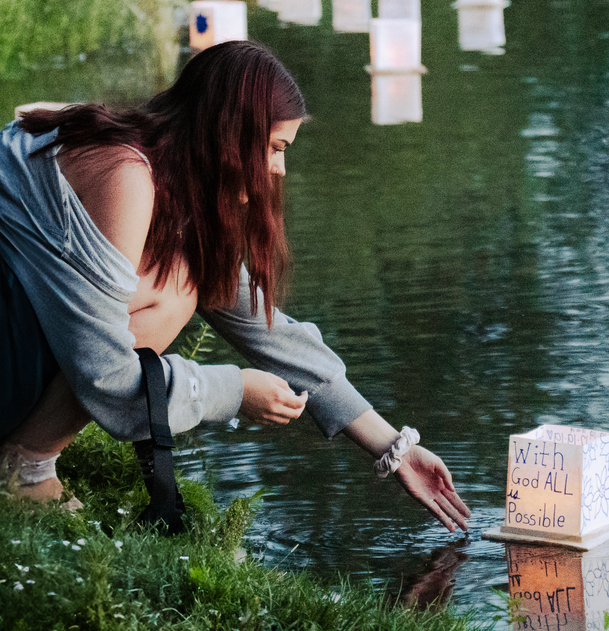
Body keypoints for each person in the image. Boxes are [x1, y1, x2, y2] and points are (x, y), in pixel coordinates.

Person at [0, 42, 471, 533]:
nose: (279, 169)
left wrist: (395, 448)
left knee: (191, 274)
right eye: (274, 148)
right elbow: (109, 379)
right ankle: (24, 466)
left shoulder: (161, 171)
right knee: (177, 287)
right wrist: (234, 390)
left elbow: (266, 329)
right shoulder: (126, 176)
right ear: (229, 133)